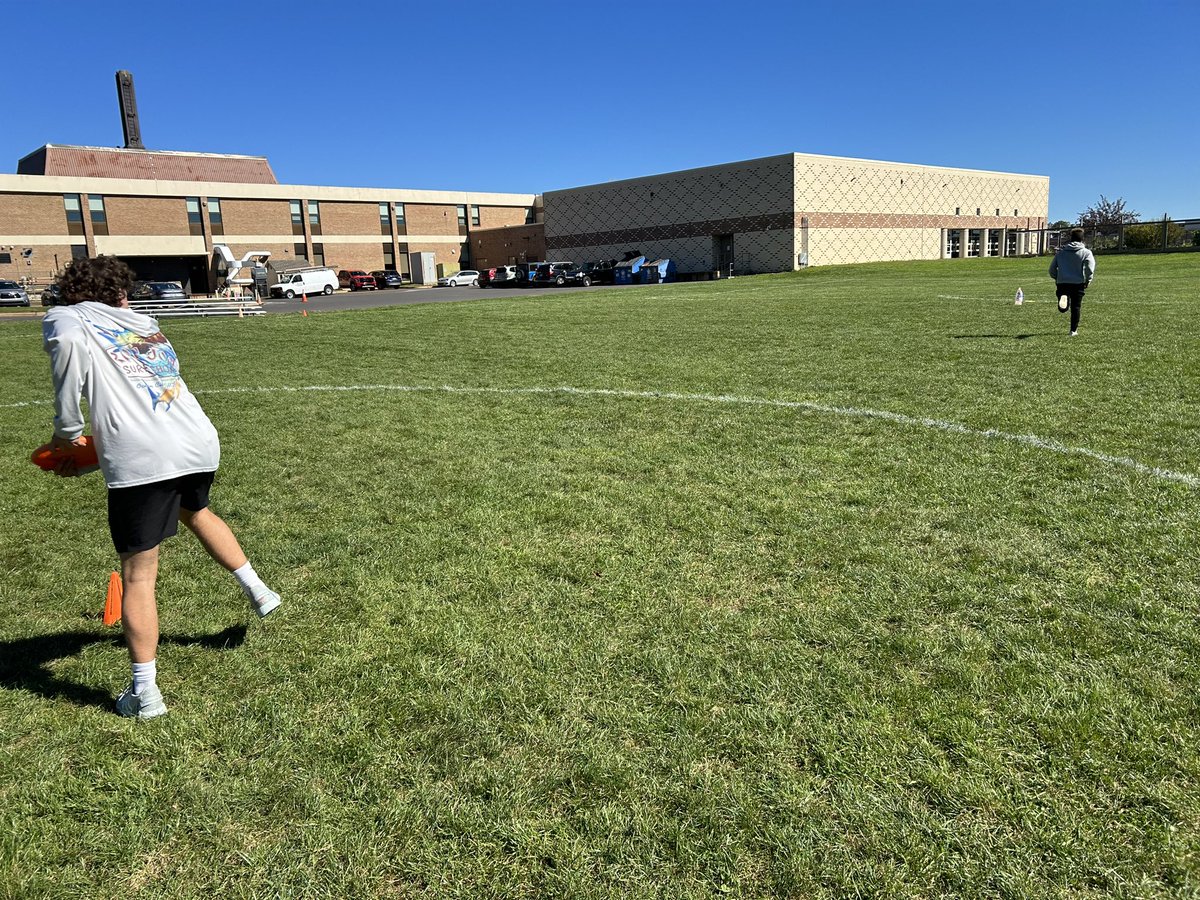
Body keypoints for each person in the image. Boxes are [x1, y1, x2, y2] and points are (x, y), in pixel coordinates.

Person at [42, 256, 280, 720]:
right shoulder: (143, 322)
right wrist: (95, 456)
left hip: (147, 454)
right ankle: (257, 589)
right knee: (196, 511)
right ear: (120, 294)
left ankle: (144, 694)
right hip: (195, 441)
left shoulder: (67, 317)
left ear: (74, 293)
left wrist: (68, 433)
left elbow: (69, 341)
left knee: (138, 576)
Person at [1049, 227, 1096, 337]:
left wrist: (1057, 278)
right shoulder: (1086, 252)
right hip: (1077, 283)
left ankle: (1063, 302)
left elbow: (1052, 269)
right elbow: (1090, 268)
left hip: (1062, 283)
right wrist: (1088, 280)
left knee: (1063, 307)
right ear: (1082, 239)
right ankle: (1073, 331)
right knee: (1076, 307)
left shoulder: (1060, 253)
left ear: (1071, 238)